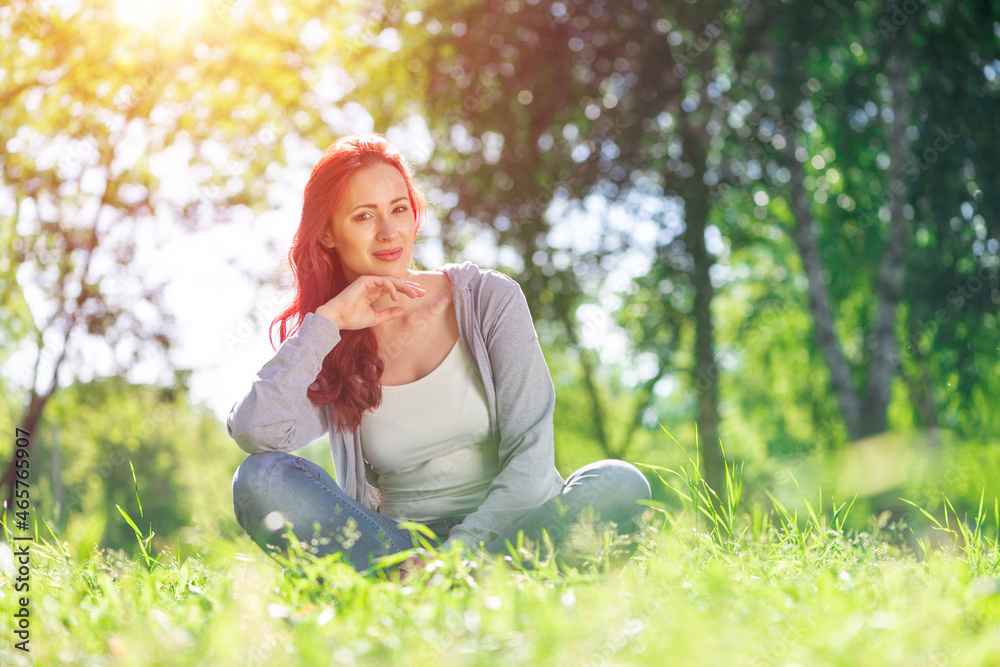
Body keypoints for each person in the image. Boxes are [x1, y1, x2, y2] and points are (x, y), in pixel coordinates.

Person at [228, 134, 651, 576]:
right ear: (329, 234)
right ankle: (463, 589)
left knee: (620, 486)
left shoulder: (489, 299)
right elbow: (257, 434)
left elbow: (532, 457)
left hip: (511, 533)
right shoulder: (332, 339)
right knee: (260, 480)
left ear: (415, 214)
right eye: (364, 216)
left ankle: (437, 590)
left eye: (398, 209)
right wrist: (326, 324)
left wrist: (457, 558)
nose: (389, 232)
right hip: (397, 549)